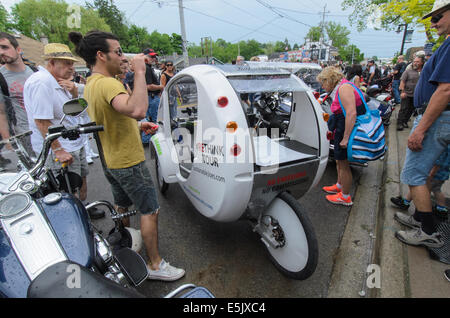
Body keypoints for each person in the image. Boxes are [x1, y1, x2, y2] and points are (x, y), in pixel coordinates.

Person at [69, 30, 185, 281]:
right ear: (101, 55)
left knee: (123, 205)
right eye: (118, 52)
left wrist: (136, 127)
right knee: (150, 210)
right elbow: (138, 108)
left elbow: (112, 118)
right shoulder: (109, 83)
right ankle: (155, 265)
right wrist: (140, 72)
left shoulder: (92, 83)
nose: (123, 57)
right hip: (129, 161)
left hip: (111, 160)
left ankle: (125, 244)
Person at [23, 43, 104, 219]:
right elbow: (41, 121)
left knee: (81, 178)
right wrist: (58, 149)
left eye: (72, 64)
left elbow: (73, 109)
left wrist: (75, 92)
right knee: (67, 188)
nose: (72, 68)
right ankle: (74, 219)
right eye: (67, 63)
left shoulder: (58, 82)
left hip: (74, 142)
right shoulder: (42, 83)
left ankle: (83, 209)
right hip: (60, 147)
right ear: (52, 63)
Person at [394, 0, 450, 249]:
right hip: (436, 117)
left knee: (413, 174)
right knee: (424, 171)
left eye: (438, 16)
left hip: (435, 117)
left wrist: (421, 128)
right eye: (431, 18)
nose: (433, 22)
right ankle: (419, 218)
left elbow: (446, 89)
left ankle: (427, 230)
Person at [317, 66, 367, 206]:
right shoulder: (343, 86)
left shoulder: (343, 88)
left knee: (344, 163)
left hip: (345, 127)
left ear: (330, 80)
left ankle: (345, 196)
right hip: (341, 125)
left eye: (323, 82)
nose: (322, 86)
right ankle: (339, 186)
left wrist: (346, 137)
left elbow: (351, 113)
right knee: (339, 160)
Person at [0, 32, 37, 156]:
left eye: (5, 47)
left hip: (46, 129)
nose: (1, 52)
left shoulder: (35, 71)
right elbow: (1, 112)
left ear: (18, 49)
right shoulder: (1, 77)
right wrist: (7, 141)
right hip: (24, 135)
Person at [391, 145, 449, 218]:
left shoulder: (444, 144)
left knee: (426, 188)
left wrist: (432, 172)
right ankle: (441, 209)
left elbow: (439, 159)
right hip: (440, 173)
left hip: (435, 174)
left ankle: (441, 208)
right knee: (425, 187)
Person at [397, 56, 425, 131]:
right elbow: (402, 82)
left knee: (411, 109)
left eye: (417, 62)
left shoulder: (424, 72)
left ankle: (405, 121)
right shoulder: (408, 71)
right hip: (406, 93)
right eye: (414, 61)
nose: (415, 63)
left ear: (422, 63)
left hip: (416, 95)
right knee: (403, 109)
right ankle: (399, 123)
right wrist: (402, 92)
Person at [143, 48, 163, 123]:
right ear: (144, 57)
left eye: (155, 57)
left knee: (153, 121)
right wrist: (161, 87)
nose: (154, 59)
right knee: (153, 122)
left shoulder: (149, 68)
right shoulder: (146, 68)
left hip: (152, 97)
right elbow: (148, 86)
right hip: (151, 97)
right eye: (151, 57)